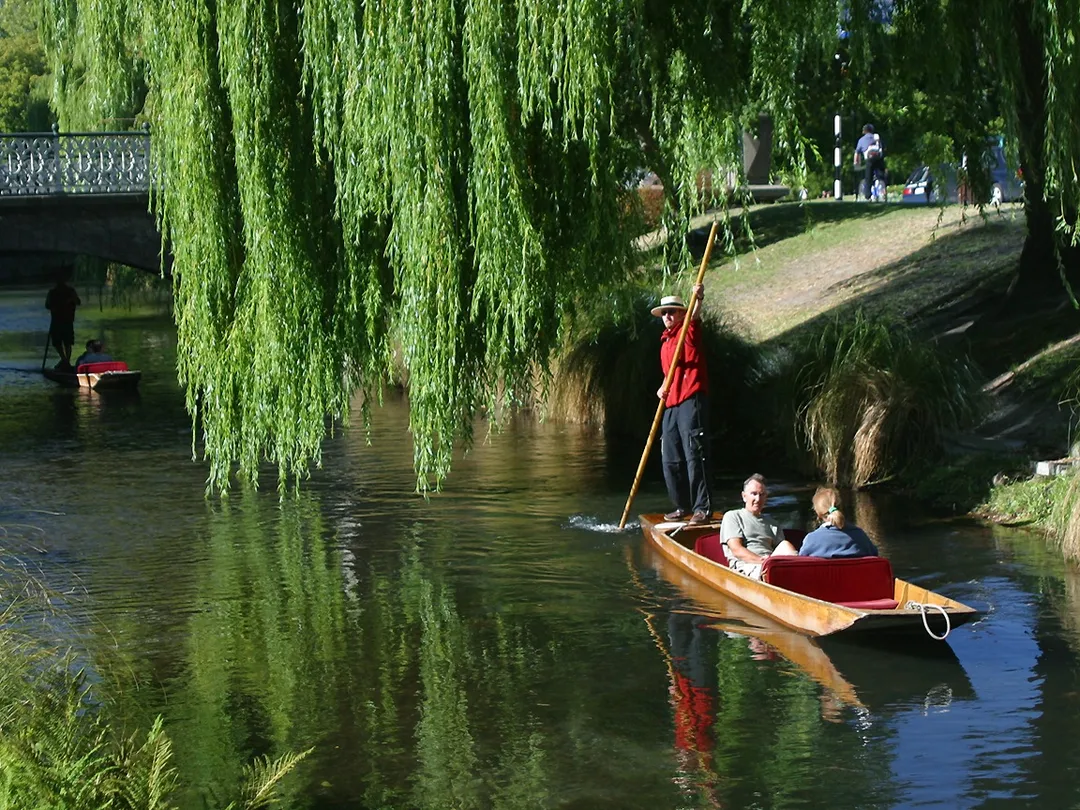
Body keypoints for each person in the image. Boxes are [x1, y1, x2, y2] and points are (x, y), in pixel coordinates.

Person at [652, 283, 712, 525]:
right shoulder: (666, 342)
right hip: (672, 403)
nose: (667, 316)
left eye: (672, 312)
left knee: (694, 453)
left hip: (691, 398)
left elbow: (694, 317)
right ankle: (681, 505)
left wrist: (698, 299)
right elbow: (671, 371)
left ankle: (702, 508)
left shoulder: (687, 329)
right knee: (670, 455)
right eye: (664, 313)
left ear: (681, 314)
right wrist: (662, 385)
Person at [720, 474, 798, 579]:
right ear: (744, 496)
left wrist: (770, 562)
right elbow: (736, 549)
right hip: (746, 566)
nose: (758, 499)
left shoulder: (772, 523)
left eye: (762, 495)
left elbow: (782, 552)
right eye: (754, 494)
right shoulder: (733, 516)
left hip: (770, 563)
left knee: (785, 545)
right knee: (771, 572)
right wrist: (763, 561)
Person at [799, 486, 879, 558]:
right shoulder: (860, 536)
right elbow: (874, 555)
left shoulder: (811, 540)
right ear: (841, 508)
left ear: (818, 514)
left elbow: (802, 562)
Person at [45, 272, 81, 369]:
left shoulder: (70, 291)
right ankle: (65, 361)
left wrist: (71, 300)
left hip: (67, 321)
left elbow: (78, 302)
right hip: (57, 321)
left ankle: (66, 361)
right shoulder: (52, 292)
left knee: (67, 342)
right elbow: (47, 305)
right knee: (58, 342)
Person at [853, 124, 886, 200]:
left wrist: (856, 163)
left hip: (869, 160)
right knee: (881, 175)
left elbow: (857, 153)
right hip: (879, 159)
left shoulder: (861, 140)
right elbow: (882, 148)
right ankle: (882, 189)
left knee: (868, 177)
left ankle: (868, 196)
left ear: (864, 131)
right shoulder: (877, 137)